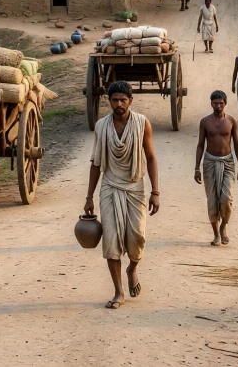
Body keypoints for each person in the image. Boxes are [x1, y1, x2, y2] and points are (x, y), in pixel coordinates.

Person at [85, 82, 160, 309]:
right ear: (109, 100)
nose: (118, 104)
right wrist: (89, 197)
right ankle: (118, 292)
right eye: (114, 100)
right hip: (109, 186)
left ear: (131, 101)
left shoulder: (142, 123)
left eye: (123, 100)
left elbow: (151, 157)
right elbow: (96, 163)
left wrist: (155, 191)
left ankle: (132, 268)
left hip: (135, 186)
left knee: (137, 238)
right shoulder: (101, 126)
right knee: (111, 241)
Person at [195, 91, 238, 246]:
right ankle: (216, 234)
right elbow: (201, 144)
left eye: (221, 103)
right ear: (211, 103)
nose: (218, 106)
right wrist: (197, 168)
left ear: (225, 104)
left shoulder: (231, 121)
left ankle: (224, 226)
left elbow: (236, 144)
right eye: (215, 103)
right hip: (209, 162)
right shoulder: (205, 122)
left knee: (226, 199)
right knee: (212, 200)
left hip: (228, 163)